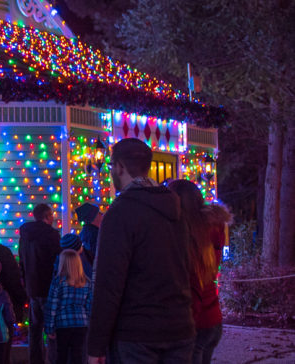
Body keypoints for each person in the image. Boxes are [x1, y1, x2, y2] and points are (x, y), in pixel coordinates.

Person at [86, 138, 195, 364]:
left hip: (136, 335)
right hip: (180, 326)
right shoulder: (175, 209)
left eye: (111, 167)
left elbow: (108, 283)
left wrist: (96, 345)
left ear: (120, 167)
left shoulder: (120, 213)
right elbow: (186, 265)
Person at [167, 179, 232, 364]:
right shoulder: (213, 227)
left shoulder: (187, 233)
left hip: (196, 320)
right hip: (213, 317)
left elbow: (192, 285)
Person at [19, 203, 61, 364]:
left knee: (35, 329)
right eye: (51, 215)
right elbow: (56, 261)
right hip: (49, 287)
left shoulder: (25, 235)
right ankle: (52, 359)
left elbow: (22, 260)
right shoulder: (52, 235)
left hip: (32, 287)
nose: (53, 218)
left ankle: (35, 359)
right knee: (52, 329)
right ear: (47, 216)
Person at [45, 249, 93, 364]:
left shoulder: (58, 282)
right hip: (81, 324)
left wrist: (49, 328)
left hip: (63, 324)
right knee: (78, 356)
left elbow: (52, 306)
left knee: (61, 355)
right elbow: (89, 306)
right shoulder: (87, 282)